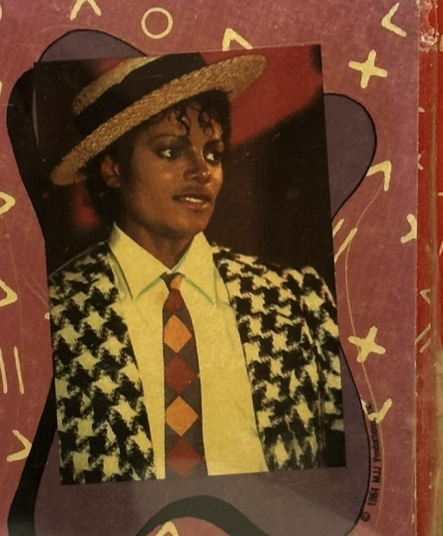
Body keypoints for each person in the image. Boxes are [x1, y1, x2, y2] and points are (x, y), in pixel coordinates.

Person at [46, 52, 346, 486]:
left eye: (213, 153)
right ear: (113, 167)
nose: (202, 171)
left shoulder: (296, 300)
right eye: (170, 151)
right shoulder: (58, 315)